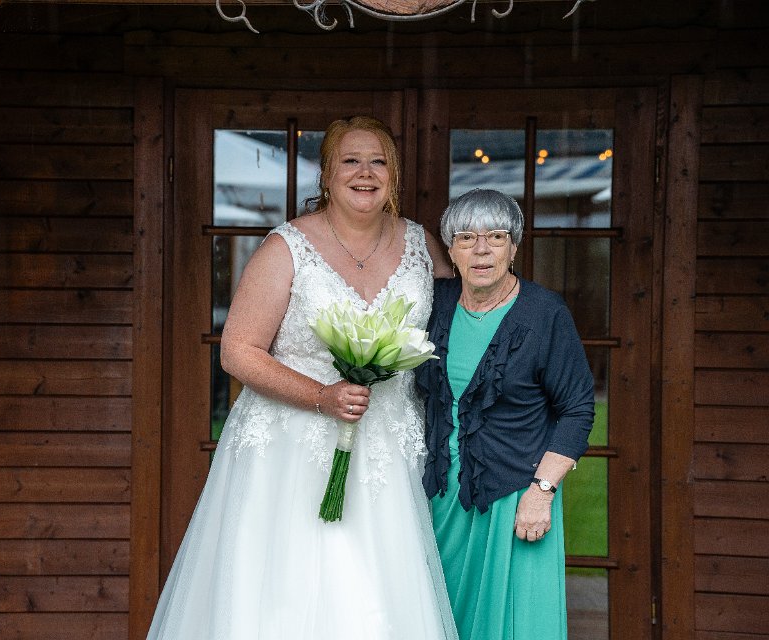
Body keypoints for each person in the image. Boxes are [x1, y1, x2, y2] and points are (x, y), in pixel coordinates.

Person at [147, 116, 458, 640]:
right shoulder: (287, 248)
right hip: (291, 451)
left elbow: (455, 330)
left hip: (387, 446)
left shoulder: (421, 245)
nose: (365, 173)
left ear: (395, 174)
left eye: (378, 161)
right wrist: (320, 395)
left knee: (379, 594)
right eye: (351, 161)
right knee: (287, 594)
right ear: (327, 174)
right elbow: (238, 351)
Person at [415, 188, 594, 640]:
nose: (481, 250)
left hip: (516, 497)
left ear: (513, 248)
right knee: (439, 616)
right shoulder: (434, 304)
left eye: (495, 236)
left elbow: (577, 410)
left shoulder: (544, 312)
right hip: (441, 496)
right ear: (450, 250)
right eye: (466, 237)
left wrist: (542, 491)